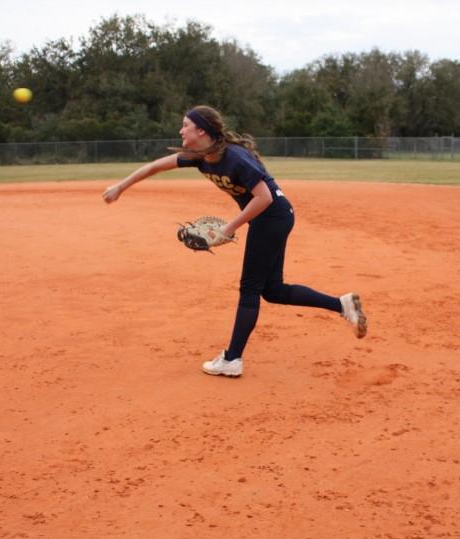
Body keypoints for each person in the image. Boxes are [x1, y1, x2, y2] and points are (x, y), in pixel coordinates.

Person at [102, 105, 368, 378]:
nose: (181, 130)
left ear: (201, 130)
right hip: (272, 219)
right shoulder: (200, 157)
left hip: (272, 217)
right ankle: (342, 305)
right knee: (273, 290)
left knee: (250, 288)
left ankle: (232, 358)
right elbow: (155, 166)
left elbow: (264, 198)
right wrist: (120, 187)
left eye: (186, 125)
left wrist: (227, 229)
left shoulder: (235, 158)